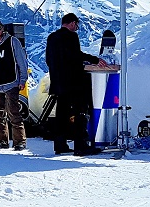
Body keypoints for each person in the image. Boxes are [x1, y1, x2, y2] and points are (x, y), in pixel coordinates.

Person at [45, 13, 107, 156]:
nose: (77, 28)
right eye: (77, 25)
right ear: (73, 23)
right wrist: (94, 60)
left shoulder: (52, 37)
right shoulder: (71, 36)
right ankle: (81, 145)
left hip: (58, 83)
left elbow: (49, 60)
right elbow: (75, 55)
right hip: (73, 82)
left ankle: (60, 145)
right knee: (80, 112)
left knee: (61, 114)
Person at [0, 19, 29, 151]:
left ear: (3, 29)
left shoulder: (13, 41)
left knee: (14, 112)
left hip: (11, 83)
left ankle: (20, 141)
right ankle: (2, 140)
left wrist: (22, 80)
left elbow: (21, 61)